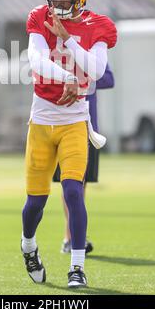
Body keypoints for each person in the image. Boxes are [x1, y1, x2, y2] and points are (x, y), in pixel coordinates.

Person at [21, 0, 117, 288]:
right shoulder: (39, 17)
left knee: (74, 190)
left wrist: (70, 42)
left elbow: (99, 69)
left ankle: (77, 267)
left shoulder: (98, 25)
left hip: (75, 120)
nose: (59, 1)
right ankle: (29, 246)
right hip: (42, 119)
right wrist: (67, 78)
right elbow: (35, 60)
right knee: (35, 201)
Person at [54, 64, 115, 254]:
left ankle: (73, 236)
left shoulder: (93, 53)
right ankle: (71, 237)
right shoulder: (56, 52)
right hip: (61, 125)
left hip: (88, 127)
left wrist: (81, 77)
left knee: (82, 184)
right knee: (69, 183)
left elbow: (108, 79)